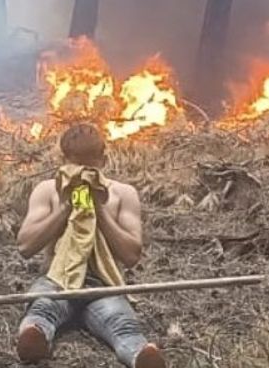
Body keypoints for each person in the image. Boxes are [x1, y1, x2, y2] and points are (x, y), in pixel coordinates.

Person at [14, 123, 165, 368]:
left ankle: (141, 356)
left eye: (89, 166)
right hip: (57, 280)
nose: (82, 173)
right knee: (41, 310)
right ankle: (35, 339)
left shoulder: (123, 194)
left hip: (103, 285)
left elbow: (131, 255)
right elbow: (25, 246)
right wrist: (64, 208)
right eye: (75, 166)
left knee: (123, 324)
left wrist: (100, 210)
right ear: (64, 161)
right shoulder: (48, 191)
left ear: (103, 161)